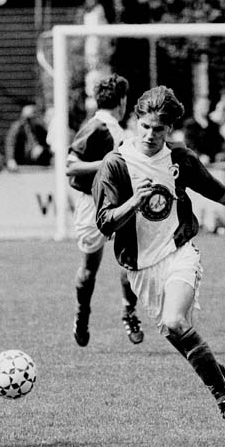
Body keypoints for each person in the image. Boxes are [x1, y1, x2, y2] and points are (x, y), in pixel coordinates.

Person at [92, 85, 225, 440]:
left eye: (159, 129)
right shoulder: (116, 164)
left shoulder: (179, 157)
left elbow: (213, 188)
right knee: (187, 341)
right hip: (141, 270)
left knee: (176, 320)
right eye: (145, 126)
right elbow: (104, 223)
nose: (150, 135)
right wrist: (134, 201)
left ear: (170, 129)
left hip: (180, 253)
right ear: (136, 122)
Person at [66, 73, 143, 346]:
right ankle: (82, 314)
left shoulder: (118, 129)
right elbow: (71, 166)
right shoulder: (97, 126)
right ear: (122, 100)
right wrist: (108, 162)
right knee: (89, 268)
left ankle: (128, 311)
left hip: (120, 203)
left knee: (131, 261)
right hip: (93, 203)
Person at [179, 96, 225, 165]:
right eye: (202, 105)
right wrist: (199, 155)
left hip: (213, 162)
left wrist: (221, 153)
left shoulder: (213, 125)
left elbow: (219, 142)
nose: (205, 108)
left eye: (207, 105)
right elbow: (188, 145)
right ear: (196, 106)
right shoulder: (190, 124)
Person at [5, 104, 51, 170]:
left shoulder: (40, 129)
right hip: (20, 163)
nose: (28, 121)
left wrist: (42, 148)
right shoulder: (17, 128)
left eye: (31, 118)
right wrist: (10, 159)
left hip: (37, 165)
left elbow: (48, 144)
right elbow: (10, 143)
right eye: (27, 119)